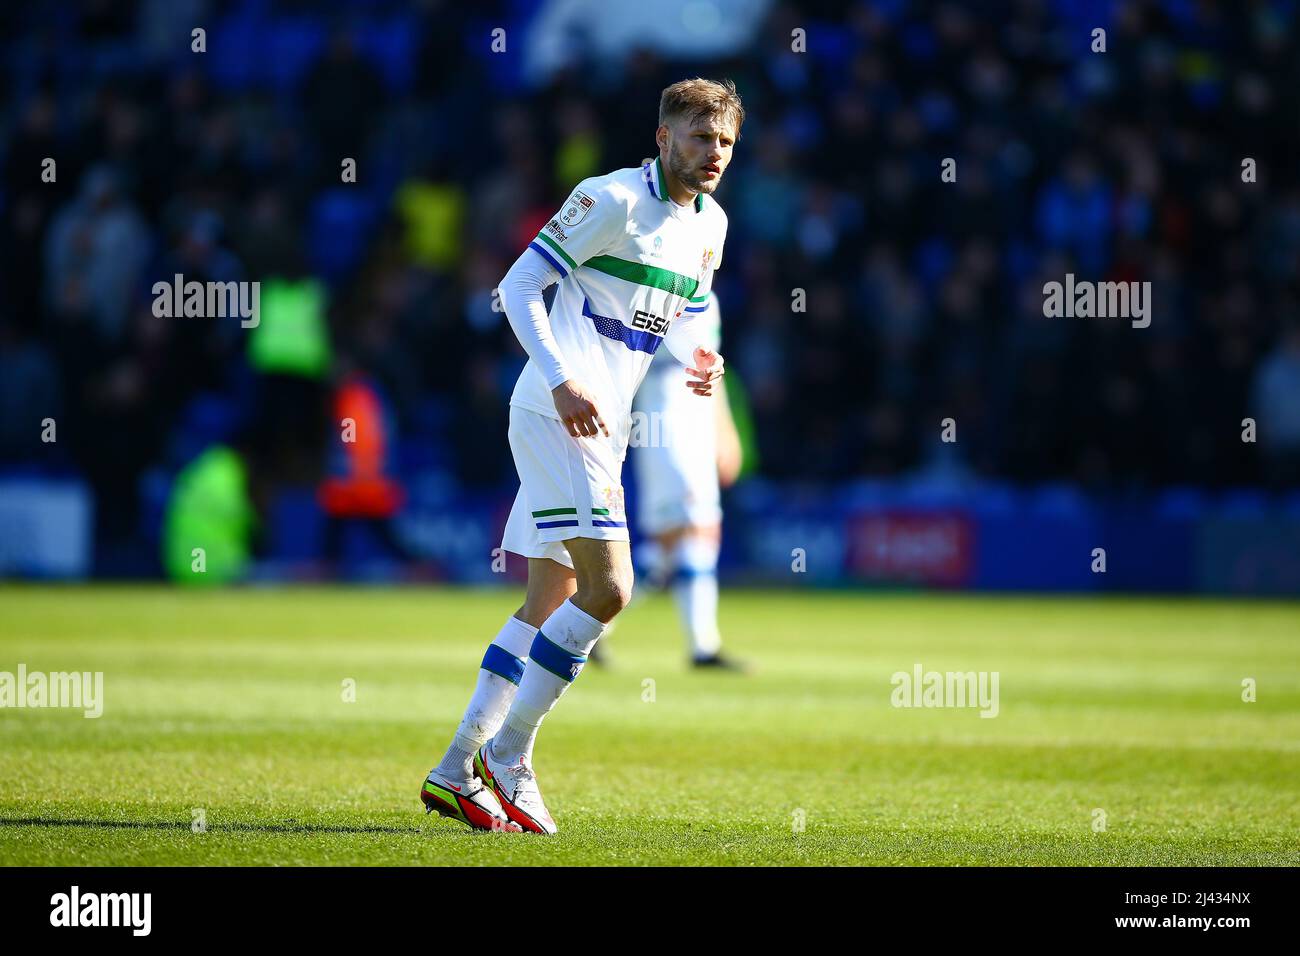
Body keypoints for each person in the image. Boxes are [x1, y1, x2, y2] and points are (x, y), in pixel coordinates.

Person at [422, 78, 743, 834]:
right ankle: (511, 752)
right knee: (610, 591)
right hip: (559, 411)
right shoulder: (610, 200)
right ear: (663, 137)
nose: (714, 154)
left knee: (547, 603)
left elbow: (691, 310)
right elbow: (519, 283)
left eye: (725, 141)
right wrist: (563, 381)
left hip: (602, 420)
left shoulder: (712, 226)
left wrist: (702, 358)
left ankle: (452, 770)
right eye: (699, 138)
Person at [630, 288, 748, 670]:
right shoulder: (653, 286)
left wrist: (724, 429)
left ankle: (592, 623)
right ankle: (703, 647)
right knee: (691, 522)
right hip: (660, 410)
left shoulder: (709, 300)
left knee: (682, 536)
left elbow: (713, 371)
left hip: (695, 411)